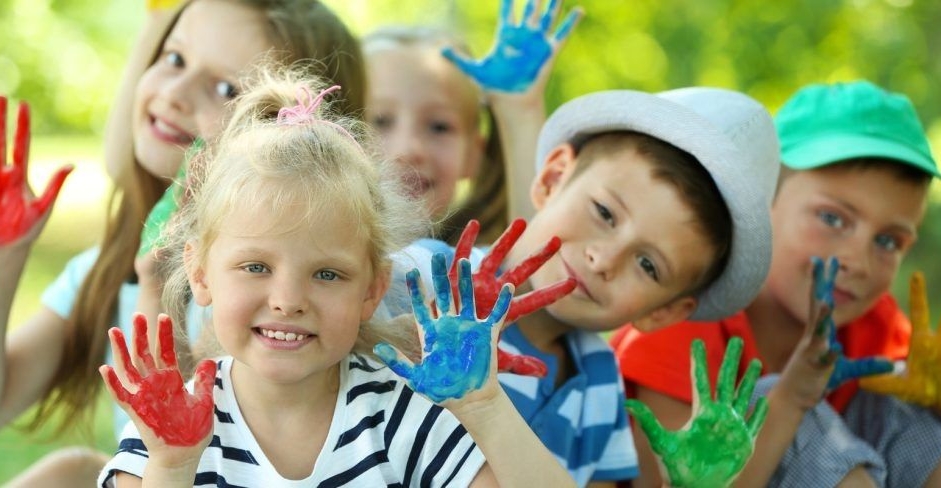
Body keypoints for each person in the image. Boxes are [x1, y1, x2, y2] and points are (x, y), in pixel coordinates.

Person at [97, 71, 576, 487]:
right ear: (201, 273)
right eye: (256, 267)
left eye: (327, 274)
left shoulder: (397, 413)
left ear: (371, 290)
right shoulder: (172, 427)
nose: (288, 300)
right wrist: (173, 468)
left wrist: (486, 409)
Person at [0, 0, 364, 485]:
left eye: (225, 88)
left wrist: (156, 287)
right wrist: (9, 252)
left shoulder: (281, 297)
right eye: (174, 59)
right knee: (68, 472)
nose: (174, 93)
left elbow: (219, 442)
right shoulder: (104, 270)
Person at [393, 85, 782, 486]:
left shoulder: (601, 382)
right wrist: (409, 328)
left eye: (648, 265)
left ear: (662, 312)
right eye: (605, 213)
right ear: (553, 177)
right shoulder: (423, 276)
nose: (604, 259)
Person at [611, 80, 941, 487]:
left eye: (888, 241)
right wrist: (793, 397)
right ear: (762, 200)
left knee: (903, 409)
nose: (858, 261)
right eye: (833, 219)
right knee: (773, 400)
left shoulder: (874, 324)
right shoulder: (686, 314)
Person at [362, 0, 581, 244]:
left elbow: (536, 260)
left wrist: (520, 112)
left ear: (474, 154)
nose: (408, 149)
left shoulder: (472, 267)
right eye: (380, 121)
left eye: (439, 127)